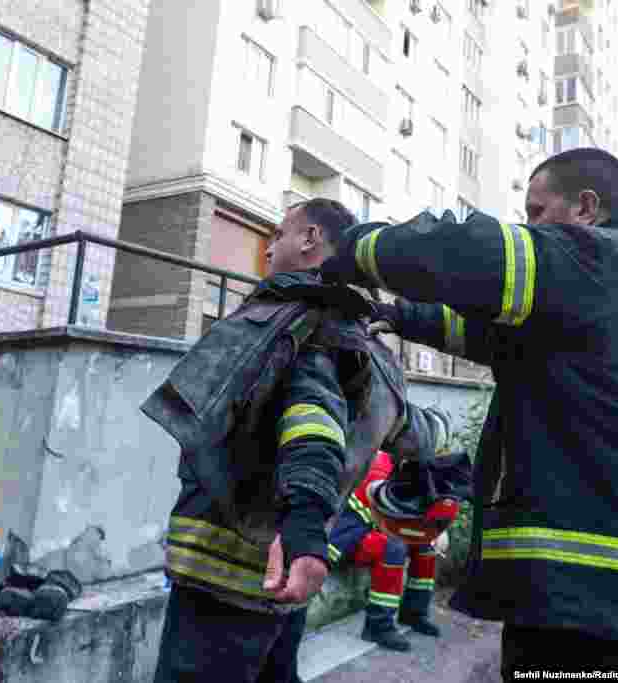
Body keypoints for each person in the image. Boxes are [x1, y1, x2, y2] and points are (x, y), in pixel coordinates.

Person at [319, 148, 618, 673]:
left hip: (599, 594)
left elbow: (462, 250)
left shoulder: (589, 257)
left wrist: (348, 248)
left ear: (585, 208)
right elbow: (496, 335)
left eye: (536, 211)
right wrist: (400, 316)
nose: (528, 225)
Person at [144, 198, 451, 683]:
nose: (269, 248)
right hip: (287, 573)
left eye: (280, 234)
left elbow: (313, 422)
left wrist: (304, 523)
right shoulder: (371, 350)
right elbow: (414, 434)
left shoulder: (299, 324)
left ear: (309, 239)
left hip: (228, 577)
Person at [326, 449, 444, 652]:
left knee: (425, 547)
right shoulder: (381, 468)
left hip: (371, 530)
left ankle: (414, 612)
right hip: (348, 537)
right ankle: (378, 625)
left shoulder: (406, 468)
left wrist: (432, 532)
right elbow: (391, 519)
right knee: (394, 546)